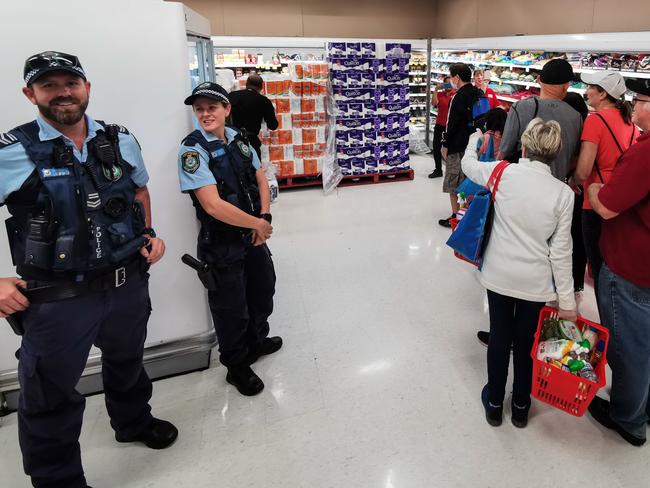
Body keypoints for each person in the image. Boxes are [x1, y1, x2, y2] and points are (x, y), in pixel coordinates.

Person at [0, 51, 177, 488]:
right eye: (49, 85)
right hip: (57, 300)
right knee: (48, 395)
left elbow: (137, 191)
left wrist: (148, 233)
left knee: (127, 362)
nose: (63, 92)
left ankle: (133, 423)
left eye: (70, 83)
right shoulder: (14, 151)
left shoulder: (119, 139)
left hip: (125, 285)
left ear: (86, 88)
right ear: (30, 93)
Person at [462, 119, 577, 428]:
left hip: (499, 275)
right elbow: (562, 252)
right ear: (555, 153)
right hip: (536, 284)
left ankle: (495, 402)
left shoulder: (501, 173)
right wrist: (567, 302)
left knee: (499, 335)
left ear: (524, 146)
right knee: (526, 343)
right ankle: (522, 405)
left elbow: (467, 164)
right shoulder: (564, 194)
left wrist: (476, 138)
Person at [177, 82, 281, 397]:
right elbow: (212, 204)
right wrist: (257, 224)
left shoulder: (238, 138)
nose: (206, 114)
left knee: (263, 289)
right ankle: (236, 366)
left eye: (212, 107)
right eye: (200, 109)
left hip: (252, 234)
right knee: (230, 306)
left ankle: (256, 340)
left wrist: (263, 219)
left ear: (227, 109)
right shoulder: (192, 149)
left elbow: (260, 177)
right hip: (221, 242)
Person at [586, 78, 650, 447]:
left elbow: (608, 206)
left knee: (629, 347)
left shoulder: (646, 152)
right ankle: (643, 404)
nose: (635, 106)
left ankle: (628, 418)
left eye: (639, 100)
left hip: (631, 267)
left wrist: (595, 190)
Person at [569, 71, 639, 307]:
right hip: (621, 202)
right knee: (615, 269)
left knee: (599, 269)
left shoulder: (595, 121)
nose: (586, 91)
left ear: (602, 93)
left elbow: (584, 169)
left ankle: (607, 327)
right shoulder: (630, 121)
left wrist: (573, 181)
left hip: (595, 202)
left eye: (591, 87)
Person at [498, 58, 582, 181]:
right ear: (566, 86)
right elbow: (574, 159)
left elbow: (504, 150)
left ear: (538, 81)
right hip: (555, 186)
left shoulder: (520, 108)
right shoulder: (576, 117)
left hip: (521, 182)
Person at [439, 63, 485, 227]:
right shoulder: (479, 93)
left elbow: (451, 124)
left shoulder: (457, 97)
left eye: (451, 77)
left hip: (457, 146)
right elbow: (483, 119)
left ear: (457, 78)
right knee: (469, 182)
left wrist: (445, 144)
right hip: (475, 145)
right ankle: (467, 215)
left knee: (454, 184)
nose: (451, 80)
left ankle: (456, 218)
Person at [563, 92, 590, 294]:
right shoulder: (588, 126)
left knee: (565, 235)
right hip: (585, 191)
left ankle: (564, 282)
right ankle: (576, 282)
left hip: (572, 186)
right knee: (578, 236)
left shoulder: (571, 129)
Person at [228, 73, 279, 159]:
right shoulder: (264, 101)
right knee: (255, 168)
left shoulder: (232, 96)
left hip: (232, 139)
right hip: (251, 142)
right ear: (261, 87)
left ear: (246, 84)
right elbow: (273, 125)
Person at [429, 76, 455, 179]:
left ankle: (451, 170)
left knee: (451, 149)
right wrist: (435, 90)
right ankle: (438, 170)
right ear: (443, 85)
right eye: (446, 83)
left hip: (450, 126)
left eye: (450, 83)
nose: (448, 85)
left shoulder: (455, 95)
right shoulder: (440, 94)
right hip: (439, 124)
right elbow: (434, 103)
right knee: (436, 147)